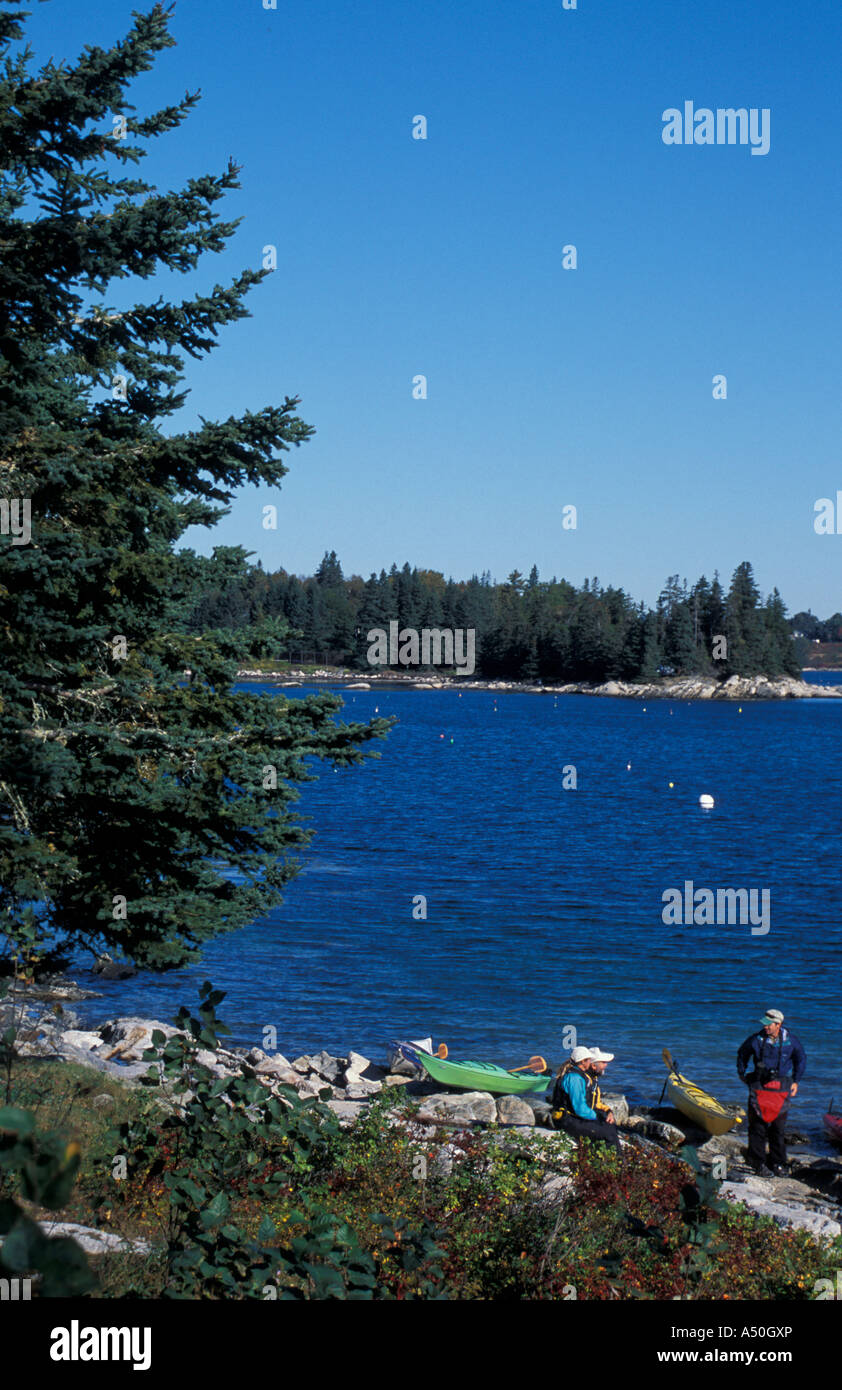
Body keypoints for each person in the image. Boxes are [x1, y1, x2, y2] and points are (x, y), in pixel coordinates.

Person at [736, 1008, 806, 1175]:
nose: (766, 1027)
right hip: (759, 1085)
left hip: (781, 1088)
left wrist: (796, 1080)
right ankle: (757, 1163)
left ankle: (778, 1163)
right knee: (757, 1127)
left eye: (769, 1025)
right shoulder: (756, 1040)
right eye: (764, 1024)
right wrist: (742, 1073)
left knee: (778, 1129)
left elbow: (801, 1059)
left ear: (778, 1024)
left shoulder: (791, 1041)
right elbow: (742, 1054)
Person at [551, 1045, 620, 1151]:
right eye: (588, 1060)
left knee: (608, 1127)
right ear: (583, 1062)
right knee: (608, 1133)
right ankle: (612, 1162)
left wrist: (606, 1112)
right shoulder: (574, 1078)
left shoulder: (578, 1075)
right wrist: (597, 1118)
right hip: (565, 1119)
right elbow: (580, 1109)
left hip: (571, 1117)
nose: (590, 1062)